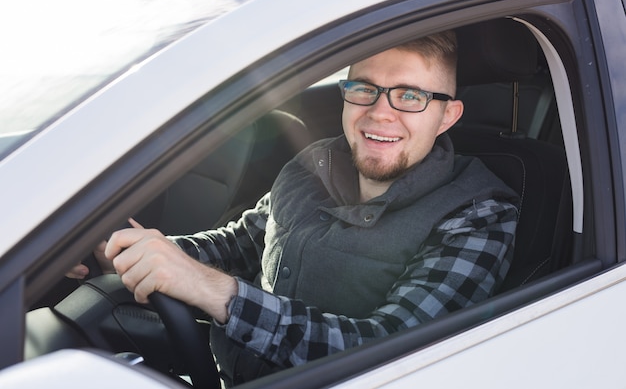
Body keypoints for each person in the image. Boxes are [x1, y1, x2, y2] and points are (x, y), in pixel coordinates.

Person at [70, 30, 518, 386]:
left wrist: (216, 292)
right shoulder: (310, 166)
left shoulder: (479, 213)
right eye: (365, 88)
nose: (381, 113)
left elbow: (387, 351)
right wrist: (139, 251)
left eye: (410, 96)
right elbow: (241, 244)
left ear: (448, 115)